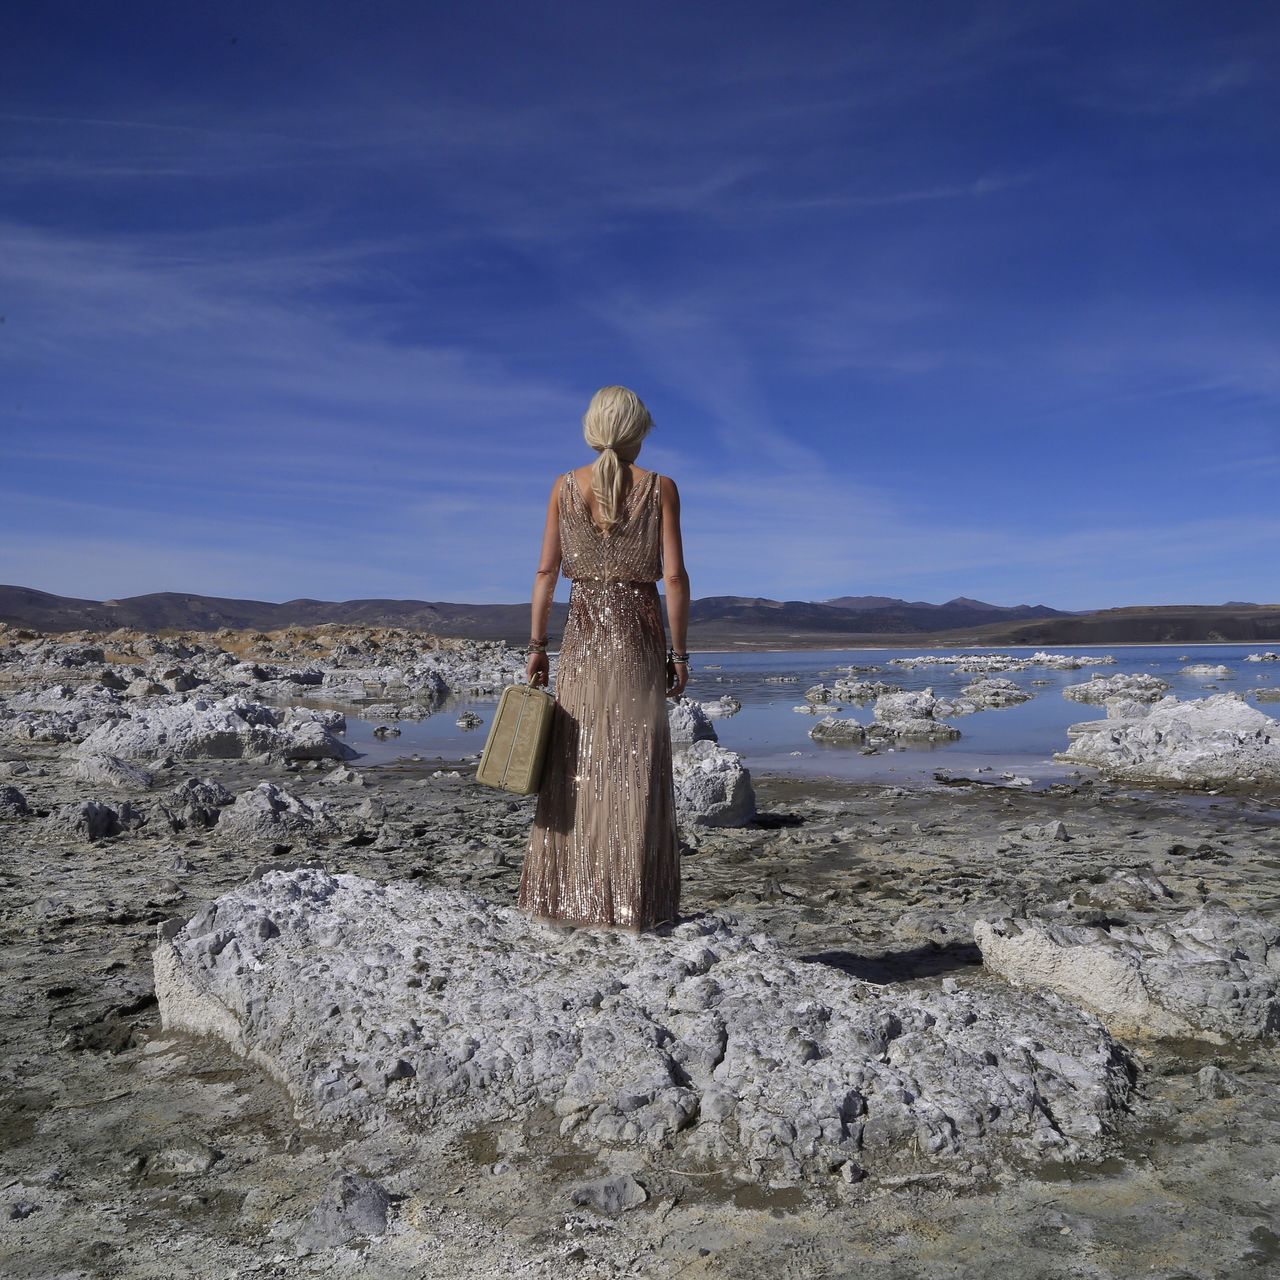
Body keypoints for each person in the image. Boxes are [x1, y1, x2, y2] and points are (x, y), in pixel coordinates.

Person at [517, 385, 690, 933]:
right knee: (634, 764)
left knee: (577, 762)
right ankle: (632, 903)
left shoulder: (564, 487)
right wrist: (679, 653)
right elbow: (674, 577)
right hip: (637, 638)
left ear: (594, 430)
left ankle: (568, 897)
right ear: (636, 431)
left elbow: (546, 573)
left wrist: (538, 646)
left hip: (584, 638)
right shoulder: (660, 487)